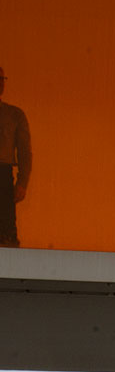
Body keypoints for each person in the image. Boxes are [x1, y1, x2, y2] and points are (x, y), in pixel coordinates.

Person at [0, 66, 32, 248]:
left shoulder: (14, 115)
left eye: (1, 78)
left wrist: (22, 182)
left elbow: (25, 151)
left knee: (6, 236)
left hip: (3, 176)